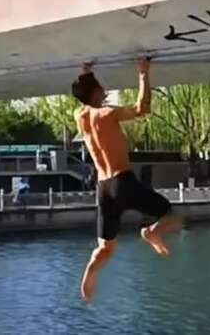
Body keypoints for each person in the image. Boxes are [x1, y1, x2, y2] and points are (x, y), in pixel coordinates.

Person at [72, 58, 180, 301]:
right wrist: (143, 73)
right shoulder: (108, 114)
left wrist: (86, 72)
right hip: (123, 181)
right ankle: (151, 232)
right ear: (95, 92)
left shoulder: (80, 116)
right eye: (100, 87)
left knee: (106, 246)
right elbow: (143, 109)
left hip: (103, 188)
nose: (105, 89)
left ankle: (91, 273)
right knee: (173, 215)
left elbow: (85, 95)